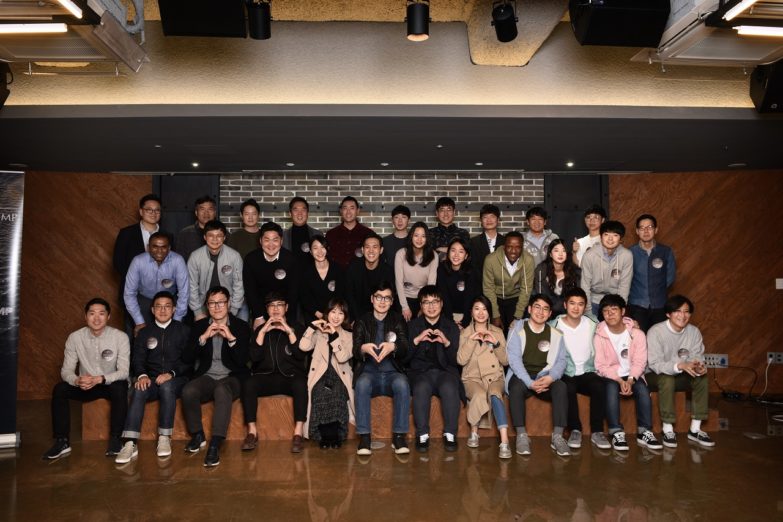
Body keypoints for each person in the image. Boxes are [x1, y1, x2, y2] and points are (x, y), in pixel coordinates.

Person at [43, 298, 129, 459]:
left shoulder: (120, 337)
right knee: (60, 389)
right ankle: (62, 441)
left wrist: (100, 379)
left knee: (120, 386)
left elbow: (124, 371)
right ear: (85, 316)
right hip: (86, 386)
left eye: (101, 313)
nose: (96, 318)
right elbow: (66, 370)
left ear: (108, 316)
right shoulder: (75, 337)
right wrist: (77, 380)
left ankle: (116, 439)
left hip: (109, 384)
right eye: (92, 313)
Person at [115, 291, 191, 463]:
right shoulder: (144, 332)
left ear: (174, 309)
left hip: (177, 379)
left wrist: (171, 374)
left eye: (167, 306)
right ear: (152, 310)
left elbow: (189, 361)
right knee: (139, 389)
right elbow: (137, 358)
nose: (163, 310)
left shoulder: (184, 331)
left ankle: (164, 437)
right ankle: (130, 443)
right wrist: (142, 375)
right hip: (152, 379)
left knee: (167, 386)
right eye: (159, 306)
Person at [181, 286, 250, 467]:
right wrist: (203, 338)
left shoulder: (241, 326)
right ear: (207, 306)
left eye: (221, 302)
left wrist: (231, 339)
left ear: (229, 304)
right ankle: (198, 435)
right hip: (208, 376)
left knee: (221, 389)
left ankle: (215, 443)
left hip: (232, 377)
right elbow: (186, 358)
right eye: (212, 303)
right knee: (189, 390)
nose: (217, 306)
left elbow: (243, 361)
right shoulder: (199, 326)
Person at [593, 294, 662, 452]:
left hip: (632, 373)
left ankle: (644, 431)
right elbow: (600, 365)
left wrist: (630, 380)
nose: (610, 313)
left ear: (623, 311)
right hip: (611, 375)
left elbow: (640, 361)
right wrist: (619, 380)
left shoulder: (637, 334)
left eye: (614, 309)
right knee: (610, 388)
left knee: (642, 389)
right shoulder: (599, 335)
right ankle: (616, 432)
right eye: (605, 311)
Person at [241, 291, 308, 454]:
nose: (276, 309)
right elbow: (254, 357)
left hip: (290, 377)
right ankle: (252, 432)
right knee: (249, 384)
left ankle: (298, 433)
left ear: (286, 307)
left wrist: (288, 330)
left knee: (300, 384)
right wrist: (262, 332)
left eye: (279, 305)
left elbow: (300, 355)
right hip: (266, 377)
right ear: (267, 309)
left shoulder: (298, 328)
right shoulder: (260, 330)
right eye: (271, 305)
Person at [505, 294, 570, 457]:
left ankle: (558, 436)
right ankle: (521, 435)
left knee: (561, 387)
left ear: (550, 314)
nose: (541, 312)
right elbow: (513, 360)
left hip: (545, 376)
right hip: (522, 376)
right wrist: (529, 382)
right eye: (537, 307)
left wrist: (551, 377)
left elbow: (562, 360)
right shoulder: (517, 329)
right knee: (516, 388)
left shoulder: (556, 334)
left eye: (545, 309)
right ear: (529, 309)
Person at [646, 295, 714, 448]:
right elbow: (655, 364)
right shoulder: (656, 331)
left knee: (702, 377)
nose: (682, 315)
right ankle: (667, 429)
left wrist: (698, 367)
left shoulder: (694, 332)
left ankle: (695, 429)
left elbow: (697, 357)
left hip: (681, 375)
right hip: (654, 375)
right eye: (677, 311)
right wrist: (680, 365)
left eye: (686, 311)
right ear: (668, 314)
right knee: (667, 378)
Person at [352, 281, 411, 455]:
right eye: (378, 297)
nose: (382, 301)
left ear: (392, 302)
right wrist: (363, 348)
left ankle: (399, 437)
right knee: (362, 384)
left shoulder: (398, 319)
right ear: (372, 299)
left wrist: (394, 347)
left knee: (402, 383)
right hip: (369, 373)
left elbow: (405, 348)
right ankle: (364, 438)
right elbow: (355, 350)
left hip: (393, 372)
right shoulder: (362, 321)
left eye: (387, 298)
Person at [549, 287, 611, 450]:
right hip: (566, 371)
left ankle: (597, 432)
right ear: (565, 305)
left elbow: (613, 325)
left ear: (585, 306)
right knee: (567, 388)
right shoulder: (553, 325)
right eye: (572, 303)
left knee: (599, 385)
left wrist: (631, 323)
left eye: (580, 304)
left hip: (587, 370)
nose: (576, 308)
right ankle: (575, 430)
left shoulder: (593, 323)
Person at [406, 285, 461, 453]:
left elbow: (457, 361)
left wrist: (446, 342)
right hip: (420, 372)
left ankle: (450, 434)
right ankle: (422, 434)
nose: (431, 306)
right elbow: (404, 359)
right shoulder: (412, 326)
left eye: (435, 302)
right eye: (426, 302)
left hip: (445, 371)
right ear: (421, 306)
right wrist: (416, 340)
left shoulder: (451, 327)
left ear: (441, 304)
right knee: (421, 387)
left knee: (449, 387)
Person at [457, 296, 511, 458]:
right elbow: (460, 360)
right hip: (471, 378)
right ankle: (474, 433)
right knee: (479, 394)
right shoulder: (465, 333)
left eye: (484, 309)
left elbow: (505, 361)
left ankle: (505, 441)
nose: (481, 313)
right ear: (471, 312)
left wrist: (496, 344)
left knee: (494, 394)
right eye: (477, 309)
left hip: (495, 377)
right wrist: (471, 340)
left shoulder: (497, 332)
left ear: (489, 312)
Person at [299, 298, 354, 448]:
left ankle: (334, 436)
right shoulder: (318, 333)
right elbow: (303, 346)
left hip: (340, 375)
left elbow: (342, 357)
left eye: (340, 313)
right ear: (327, 314)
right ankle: (325, 436)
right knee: (319, 392)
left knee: (338, 393)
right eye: (333, 312)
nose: (336, 316)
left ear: (345, 316)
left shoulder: (349, 336)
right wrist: (312, 327)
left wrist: (334, 336)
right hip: (320, 375)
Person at [113, 194, 163, 337]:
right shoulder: (127, 233)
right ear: (141, 211)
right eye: (149, 210)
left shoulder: (167, 235)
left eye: (157, 210)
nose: (153, 213)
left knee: (160, 334)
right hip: (133, 293)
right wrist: (138, 281)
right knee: (134, 333)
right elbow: (118, 262)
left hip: (160, 294)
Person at [123, 231, 189, 336]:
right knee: (140, 335)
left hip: (169, 299)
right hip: (145, 300)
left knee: (174, 336)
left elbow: (184, 293)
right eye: (155, 247)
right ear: (148, 247)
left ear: (169, 248)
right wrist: (139, 322)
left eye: (163, 247)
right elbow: (129, 294)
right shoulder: (138, 261)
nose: (159, 251)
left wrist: (176, 321)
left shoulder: (178, 260)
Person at [244, 221, 299, 328]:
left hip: (285, 310)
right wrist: (258, 316)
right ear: (260, 241)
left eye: (275, 240)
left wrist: (286, 316)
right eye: (266, 240)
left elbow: (293, 292)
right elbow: (250, 290)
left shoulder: (291, 260)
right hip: (260, 309)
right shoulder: (251, 259)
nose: (271, 244)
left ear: (281, 241)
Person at [628, 214, 676, 332]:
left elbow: (670, 276)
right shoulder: (630, 252)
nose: (646, 231)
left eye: (649, 227)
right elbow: (625, 278)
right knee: (638, 337)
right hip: (637, 305)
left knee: (659, 337)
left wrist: (656, 289)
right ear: (637, 231)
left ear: (656, 230)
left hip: (660, 304)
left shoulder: (665, 251)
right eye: (642, 228)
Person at [187, 220, 244, 321]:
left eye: (219, 236)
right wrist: (198, 312)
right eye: (211, 235)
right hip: (203, 304)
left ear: (224, 237)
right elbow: (192, 286)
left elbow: (238, 285)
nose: (215, 239)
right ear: (205, 237)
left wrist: (233, 310)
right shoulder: (195, 257)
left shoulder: (234, 256)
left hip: (228, 304)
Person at [482, 231, 535, 334]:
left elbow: (526, 289)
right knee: (496, 333)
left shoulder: (528, 260)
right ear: (504, 247)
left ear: (522, 247)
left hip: (516, 299)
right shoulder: (490, 260)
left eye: (518, 247)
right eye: (509, 247)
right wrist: (495, 315)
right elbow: (488, 289)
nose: (513, 251)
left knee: (515, 332)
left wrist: (518, 316)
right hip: (495, 298)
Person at [580, 221, 633, 319]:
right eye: (606, 234)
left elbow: (624, 286)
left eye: (615, 235)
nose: (610, 239)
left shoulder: (627, 255)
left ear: (621, 238)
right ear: (601, 236)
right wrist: (588, 311)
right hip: (593, 301)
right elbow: (585, 285)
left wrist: (620, 308)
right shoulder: (589, 255)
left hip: (615, 302)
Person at [344, 233, 397, 320]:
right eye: (367, 247)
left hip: (381, 316)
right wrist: (357, 320)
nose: (371, 251)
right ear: (362, 250)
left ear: (381, 250)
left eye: (375, 247)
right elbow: (349, 297)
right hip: (357, 316)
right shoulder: (353, 269)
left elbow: (390, 299)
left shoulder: (388, 271)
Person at [395, 222, 438, 322]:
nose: (419, 239)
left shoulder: (433, 255)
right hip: (404, 297)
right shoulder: (401, 254)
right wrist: (405, 307)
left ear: (427, 239)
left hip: (423, 298)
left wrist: (425, 306)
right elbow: (398, 282)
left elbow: (431, 284)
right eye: (416, 235)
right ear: (411, 236)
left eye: (423, 236)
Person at [299, 235, 346, 323]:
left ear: (327, 249)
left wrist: (332, 315)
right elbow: (304, 297)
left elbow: (342, 295)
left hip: (335, 317)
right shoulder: (305, 272)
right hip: (313, 317)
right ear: (310, 251)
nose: (320, 251)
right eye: (315, 248)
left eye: (322, 247)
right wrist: (318, 314)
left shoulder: (338, 269)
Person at [437, 237, 480, 329]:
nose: (456, 255)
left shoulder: (472, 272)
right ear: (448, 253)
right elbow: (444, 296)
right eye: (453, 251)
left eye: (461, 252)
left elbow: (470, 298)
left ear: (466, 256)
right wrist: (450, 321)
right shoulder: (441, 269)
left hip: (467, 315)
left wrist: (464, 323)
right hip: (447, 314)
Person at [533, 238, 581, 317]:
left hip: (568, 312)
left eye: (564, 251)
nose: (560, 254)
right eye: (556, 250)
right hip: (546, 312)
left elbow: (576, 296)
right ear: (550, 254)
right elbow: (541, 295)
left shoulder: (575, 271)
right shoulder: (541, 270)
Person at [325, 196, 373, 269]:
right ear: (341, 211)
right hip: (337, 274)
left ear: (358, 211)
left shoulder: (368, 233)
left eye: (352, 208)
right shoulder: (331, 234)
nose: (348, 212)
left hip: (360, 275)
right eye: (345, 208)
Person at [175, 195, 217, 261]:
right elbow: (179, 260)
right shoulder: (185, 234)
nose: (206, 213)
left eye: (210, 209)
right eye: (202, 209)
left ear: (215, 213)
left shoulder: (223, 234)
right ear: (196, 212)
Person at [283, 196, 322, 263]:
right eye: (296, 210)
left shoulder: (318, 234)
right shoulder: (283, 236)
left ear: (307, 213)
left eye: (303, 210)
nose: (300, 213)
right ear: (290, 214)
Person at [469, 204, 504, 275]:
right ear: (481, 221)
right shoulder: (474, 242)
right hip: (480, 280)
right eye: (485, 217)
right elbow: (473, 268)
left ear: (498, 220)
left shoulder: (505, 241)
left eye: (492, 216)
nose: (489, 220)